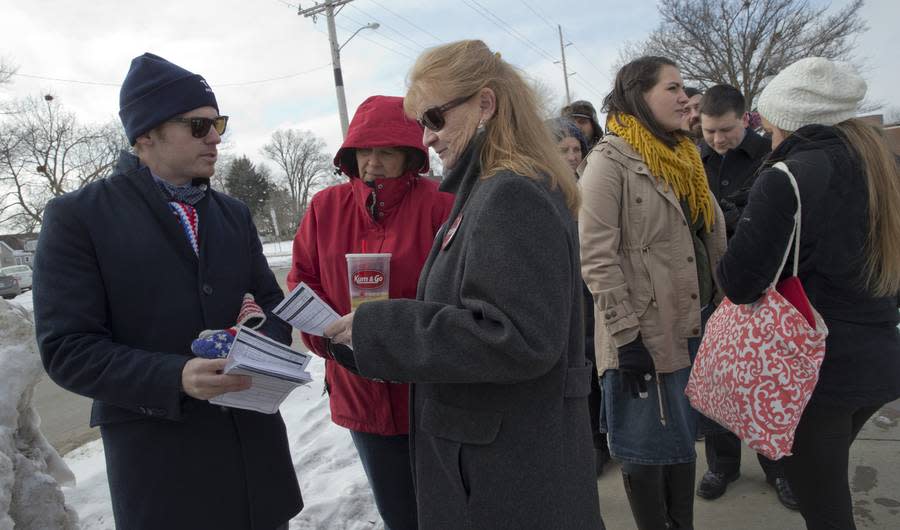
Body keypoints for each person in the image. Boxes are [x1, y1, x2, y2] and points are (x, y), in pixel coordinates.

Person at [323, 40, 604, 529]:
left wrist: (382, 327)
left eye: (433, 119)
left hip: (505, 470)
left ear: (485, 104)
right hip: (495, 455)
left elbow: (518, 337)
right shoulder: (486, 187)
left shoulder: (510, 193)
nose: (426, 139)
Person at [31, 53, 302, 529]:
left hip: (256, 464)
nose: (216, 137)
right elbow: (67, 350)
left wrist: (264, 345)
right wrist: (176, 376)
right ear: (145, 135)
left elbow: (272, 304)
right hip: (163, 471)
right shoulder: (79, 217)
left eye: (218, 123)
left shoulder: (232, 213)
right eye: (198, 127)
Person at [718, 57, 900, 530]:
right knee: (828, 482)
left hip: (808, 375)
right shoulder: (885, 165)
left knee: (827, 511)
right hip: (878, 362)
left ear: (780, 116)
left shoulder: (788, 176)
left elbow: (738, 283)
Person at [287, 94, 453, 530]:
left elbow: (459, 287)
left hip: (433, 390)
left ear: (410, 155)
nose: (373, 162)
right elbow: (303, 281)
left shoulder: (441, 203)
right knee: (398, 511)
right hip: (359, 389)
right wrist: (329, 340)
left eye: (386, 151)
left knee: (449, 506)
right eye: (364, 150)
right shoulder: (325, 207)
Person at [579, 55, 726, 530]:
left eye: (685, 86)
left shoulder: (684, 155)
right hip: (643, 333)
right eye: (672, 87)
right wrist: (625, 338)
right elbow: (596, 257)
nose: (685, 96)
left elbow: (705, 237)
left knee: (680, 437)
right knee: (643, 447)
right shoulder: (609, 160)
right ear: (638, 94)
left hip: (691, 320)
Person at [694, 83, 798, 509]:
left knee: (766, 382)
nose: (718, 139)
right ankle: (722, 463)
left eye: (726, 130)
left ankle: (779, 467)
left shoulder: (769, 156)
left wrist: (728, 213)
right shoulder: (695, 160)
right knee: (717, 380)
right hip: (712, 284)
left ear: (745, 118)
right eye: (709, 131)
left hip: (762, 286)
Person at [547, 117, 613, 476]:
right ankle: (589, 443)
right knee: (579, 373)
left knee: (596, 364)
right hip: (567, 295)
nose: (573, 156)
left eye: (576, 149)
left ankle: (603, 438)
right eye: (564, 150)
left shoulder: (588, 186)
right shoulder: (542, 190)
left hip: (591, 294)